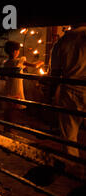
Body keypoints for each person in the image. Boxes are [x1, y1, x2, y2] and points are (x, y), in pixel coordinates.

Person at [50, 23, 86, 158]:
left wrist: (51, 95)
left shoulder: (62, 42)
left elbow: (55, 72)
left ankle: (73, 167)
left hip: (70, 89)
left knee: (69, 134)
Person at [1, 41, 43, 124]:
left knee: (9, 107)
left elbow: (3, 77)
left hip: (9, 86)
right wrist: (41, 62)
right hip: (16, 87)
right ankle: (10, 127)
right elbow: (34, 65)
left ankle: (6, 126)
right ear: (15, 51)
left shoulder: (6, 62)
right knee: (14, 106)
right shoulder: (18, 61)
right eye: (18, 50)